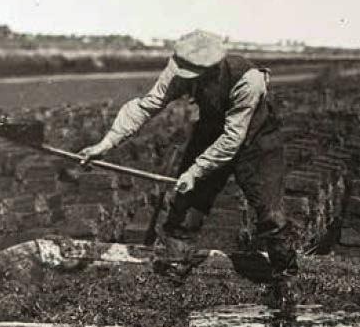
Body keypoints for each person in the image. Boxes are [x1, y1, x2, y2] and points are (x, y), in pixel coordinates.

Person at [77, 30, 297, 281]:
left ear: (213, 67)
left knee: (271, 213)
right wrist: (105, 144)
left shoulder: (248, 80)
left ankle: (285, 275)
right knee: (185, 203)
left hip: (258, 141)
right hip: (211, 131)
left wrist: (195, 170)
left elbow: (232, 139)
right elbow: (146, 105)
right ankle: (175, 267)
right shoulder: (179, 68)